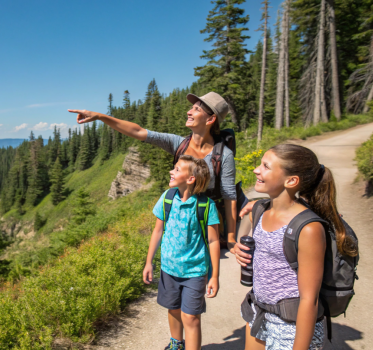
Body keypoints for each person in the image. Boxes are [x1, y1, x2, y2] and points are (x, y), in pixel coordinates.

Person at [68, 92, 239, 251]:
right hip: (179, 224)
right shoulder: (178, 144)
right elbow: (139, 131)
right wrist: (100, 116)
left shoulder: (223, 155)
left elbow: (229, 196)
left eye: (196, 109)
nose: (189, 111)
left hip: (206, 225)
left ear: (210, 120)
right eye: (191, 107)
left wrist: (230, 238)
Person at [234, 144, 358, 350]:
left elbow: (309, 299)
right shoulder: (259, 210)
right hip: (258, 311)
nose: (256, 170)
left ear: (291, 181)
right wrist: (238, 246)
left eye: (266, 166)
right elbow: (244, 230)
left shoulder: (309, 229)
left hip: (291, 327)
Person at [142, 155, 221, 350]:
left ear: (190, 179)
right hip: (169, 269)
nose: (171, 171)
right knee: (174, 309)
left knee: (191, 317)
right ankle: (176, 344)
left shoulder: (206, 206)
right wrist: (149, 262)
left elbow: (213, 240)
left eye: (177, 169)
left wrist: (215, 276)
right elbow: (158, 230)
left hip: (195, 271)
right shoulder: (167, 198)